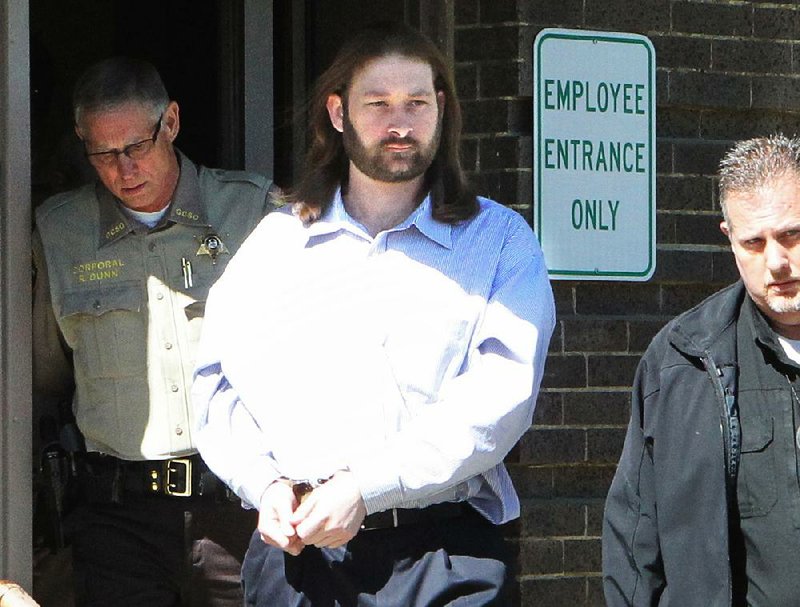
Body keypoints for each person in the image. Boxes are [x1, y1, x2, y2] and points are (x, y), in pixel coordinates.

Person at [192, 22, 555, 607]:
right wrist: (265, 485)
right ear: (338, 114)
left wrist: (367, 485)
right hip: (299, 560)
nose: (400, 123)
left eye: (416, 102)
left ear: (441, 109)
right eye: (377, 103)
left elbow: (499, 400)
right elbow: (216, 384)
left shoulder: (500, 242)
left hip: (443, 554)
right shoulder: (278, 243)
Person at [32, 57, 275, 606]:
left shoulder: (252, 210)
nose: (121, 169)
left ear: (170, 123)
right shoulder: (59, 231)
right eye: (102, 153)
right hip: (119, 521)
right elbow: (45, 376)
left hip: (238, 510)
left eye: (135, 147)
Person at [603, 133, 800, 606]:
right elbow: (636, 540)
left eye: (792, 234)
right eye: (754, 242)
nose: (776, 261)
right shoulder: (681, 363)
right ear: (729, 239)